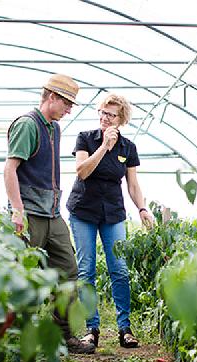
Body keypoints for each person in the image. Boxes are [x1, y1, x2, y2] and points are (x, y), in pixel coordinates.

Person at [3, 73, 96, 354]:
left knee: (68, 272)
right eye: (66, 104)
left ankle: (62, 335)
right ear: (52, 97)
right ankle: (20, 340)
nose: (69, 110)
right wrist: (17, 210)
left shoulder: (54, 128)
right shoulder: (27, 125)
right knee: (25, 277)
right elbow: (10, 169)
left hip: (53, 215)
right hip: (30, 213)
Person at [66, 93, 153, 348]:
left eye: (111, 115)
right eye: (102, 112)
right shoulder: (85, 138)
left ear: (121, 119)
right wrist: (104, 146)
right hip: (83, 210)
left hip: (113, 213)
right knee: (86, 269)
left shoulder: (128, 148)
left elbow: (132, 184)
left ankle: (124, 328)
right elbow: (82, 172)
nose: (105, 118)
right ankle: (91, 329)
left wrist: (142, 208)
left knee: (120, 269)